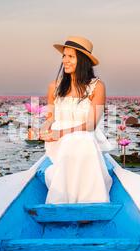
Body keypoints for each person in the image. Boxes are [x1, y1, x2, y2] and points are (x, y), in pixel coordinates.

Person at [34, 36, 114, 204]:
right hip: (58, 141)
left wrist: (62, 132)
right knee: (76, 142)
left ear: (83, 60)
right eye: (64, 56)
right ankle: (76, 201)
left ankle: (78, 201)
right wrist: (41, 130)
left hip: (84, 134)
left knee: (80, 140)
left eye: (71, 57)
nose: (65, 61)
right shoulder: (54, 86)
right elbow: (50, 118)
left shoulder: (97, 86)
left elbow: (91, 124)